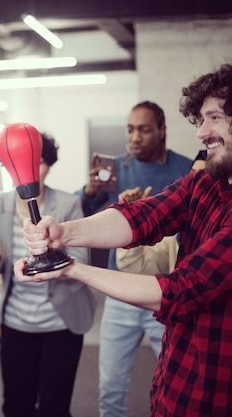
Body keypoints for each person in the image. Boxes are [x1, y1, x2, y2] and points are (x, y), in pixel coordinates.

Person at [18, 63, 232, 416]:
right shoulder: (205, 183)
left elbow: (179, 290)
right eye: (202, 120)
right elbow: (143, 216)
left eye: (214, 118)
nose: (202, 133)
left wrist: (72, 269)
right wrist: (65, 232)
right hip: (176, 384)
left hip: (211, 396)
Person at [76, 100, 193, 417]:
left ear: (162, 131)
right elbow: (80, 211)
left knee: (177, 386)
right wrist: (89, 191)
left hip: (164, 292)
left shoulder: (185, 169)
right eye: (130, 129)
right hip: (120, 293)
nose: (135, 136)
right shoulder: (116, 170)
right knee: (110, 389)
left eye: (143, 129)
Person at [0, 133, 96, 417]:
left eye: (38, 161)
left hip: (61, 324)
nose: (30, 169)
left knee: (54, 408)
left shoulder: (67, 205)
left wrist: (51, 258)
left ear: (49, 164)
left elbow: (81, 262)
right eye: (18, 163)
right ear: (7, 167)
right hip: (16, 324)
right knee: (16, 406)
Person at [115, 150, 206, 275]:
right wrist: (134, 218)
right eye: (192, 177)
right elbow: (135, 265)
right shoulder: (179, 234)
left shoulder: (224, 233)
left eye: (204, 180)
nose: (195, 186)